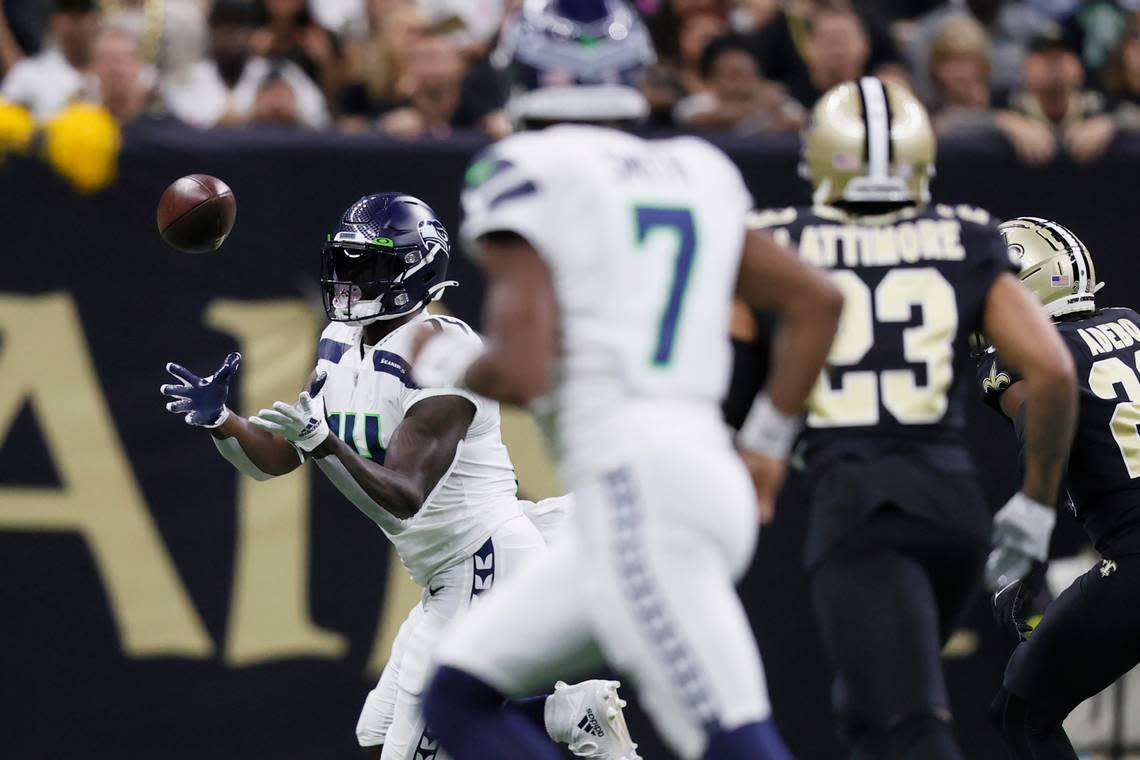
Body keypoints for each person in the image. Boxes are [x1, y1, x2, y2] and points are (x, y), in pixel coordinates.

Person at [412, 3, 844, 758]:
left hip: (637, 493)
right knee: (458, 694)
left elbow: (521, 368)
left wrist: (442, 360)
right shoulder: (698, 167)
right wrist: (768, 444)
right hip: (689, 480)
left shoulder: (527, 169)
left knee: (735, 740)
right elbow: (817, 300)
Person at [159, 193, 637, 760]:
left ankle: (567, 716)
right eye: (346, 261)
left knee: (416, 750)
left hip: (485, 565)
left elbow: (404, 497)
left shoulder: (444, 353)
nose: (350, 279)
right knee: (380, 738)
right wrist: (223, 421)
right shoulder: (340, 341)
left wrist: (321, 440)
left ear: (415, 271)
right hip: (448, 574)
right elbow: (279, 459)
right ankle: (567, 714)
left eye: (369, 265)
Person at [744, 77, 1077, 758]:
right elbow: (1053, 372)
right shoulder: (964, 236)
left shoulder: (777, 241)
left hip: (862, 513)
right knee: (866, 709)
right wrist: (1037, 506)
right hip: (956, 513)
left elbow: (722, 364)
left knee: (911, 730)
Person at [978, 217, 1140, 760]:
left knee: (1022, 713)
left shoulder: (1035, 362)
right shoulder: (1132, 324)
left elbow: (1042, 444)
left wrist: (1019, 557)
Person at [0, 0, 98, 119]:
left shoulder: (115, 67)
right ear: (54, 20)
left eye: (83, 14)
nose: (76, 25)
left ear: (95, 19)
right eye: (69, 15)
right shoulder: (29, 74)